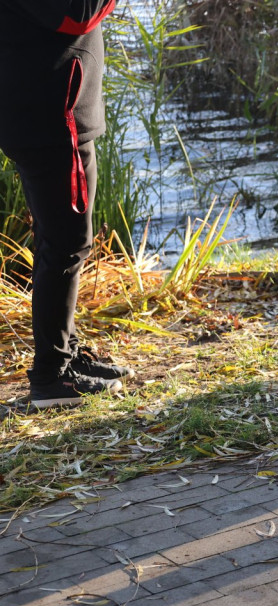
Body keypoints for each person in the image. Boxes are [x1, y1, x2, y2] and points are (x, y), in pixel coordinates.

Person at [0, 0, 134, 409]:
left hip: (50, 110)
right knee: (66, 243)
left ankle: (66, 357)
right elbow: (77, 13)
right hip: (50, 116)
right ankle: (52, 377)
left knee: (59, 240)